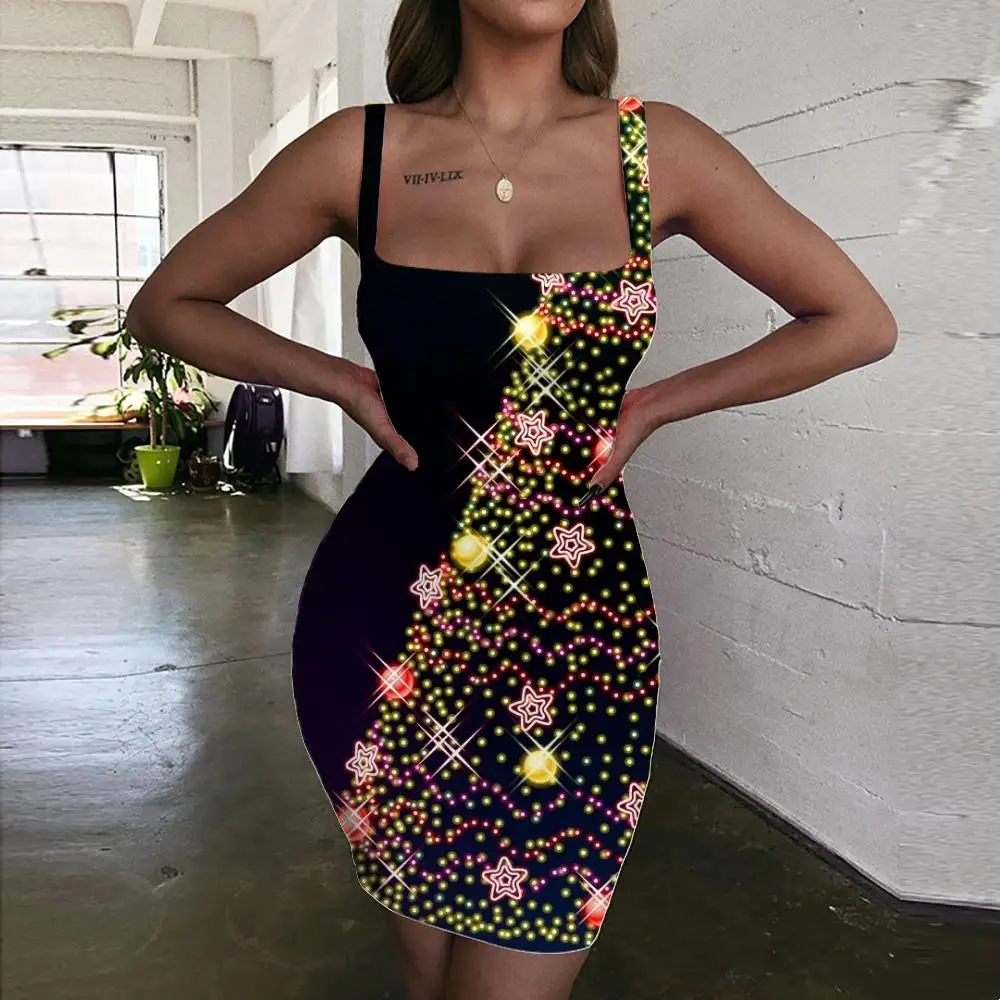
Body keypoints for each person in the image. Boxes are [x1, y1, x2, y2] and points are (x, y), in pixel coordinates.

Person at [126, 2, 898, 997]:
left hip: (577, 634)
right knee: (434, 970)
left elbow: (855, 320)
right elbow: (167, 304)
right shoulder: (359, 152)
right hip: (385, 616)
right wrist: (343, 382)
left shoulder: (657, 150)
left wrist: (654, 404)